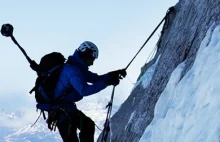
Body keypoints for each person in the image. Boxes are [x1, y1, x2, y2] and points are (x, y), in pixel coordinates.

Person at [46, 41, 126, 142]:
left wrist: (112, 75)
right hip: (62, 112)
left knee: (88, 125)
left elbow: (94, 78)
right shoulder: (72, 70)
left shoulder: (78, 68)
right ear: (86, 55)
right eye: (92, 59)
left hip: (66, 110)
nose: (92, 63)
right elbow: (84, 90)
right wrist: (107, 82)